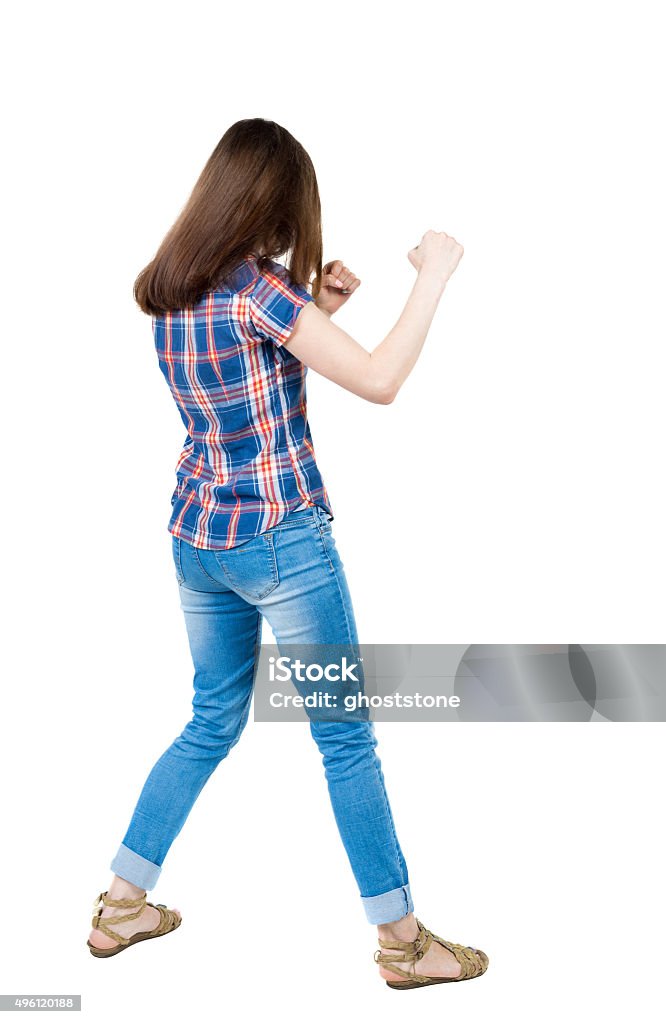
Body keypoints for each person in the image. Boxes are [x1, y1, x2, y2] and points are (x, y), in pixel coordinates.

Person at [86, 118, 489, 990]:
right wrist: (434, 277)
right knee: (346, 741)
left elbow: (240, 384)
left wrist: (320, 312)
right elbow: (380, 381)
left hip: (198, 538)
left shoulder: (172, 288)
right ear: (277, 202)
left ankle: (123, 903)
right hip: (282, 543)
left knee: (210, 721)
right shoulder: (262, 291)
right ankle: (404, 944)